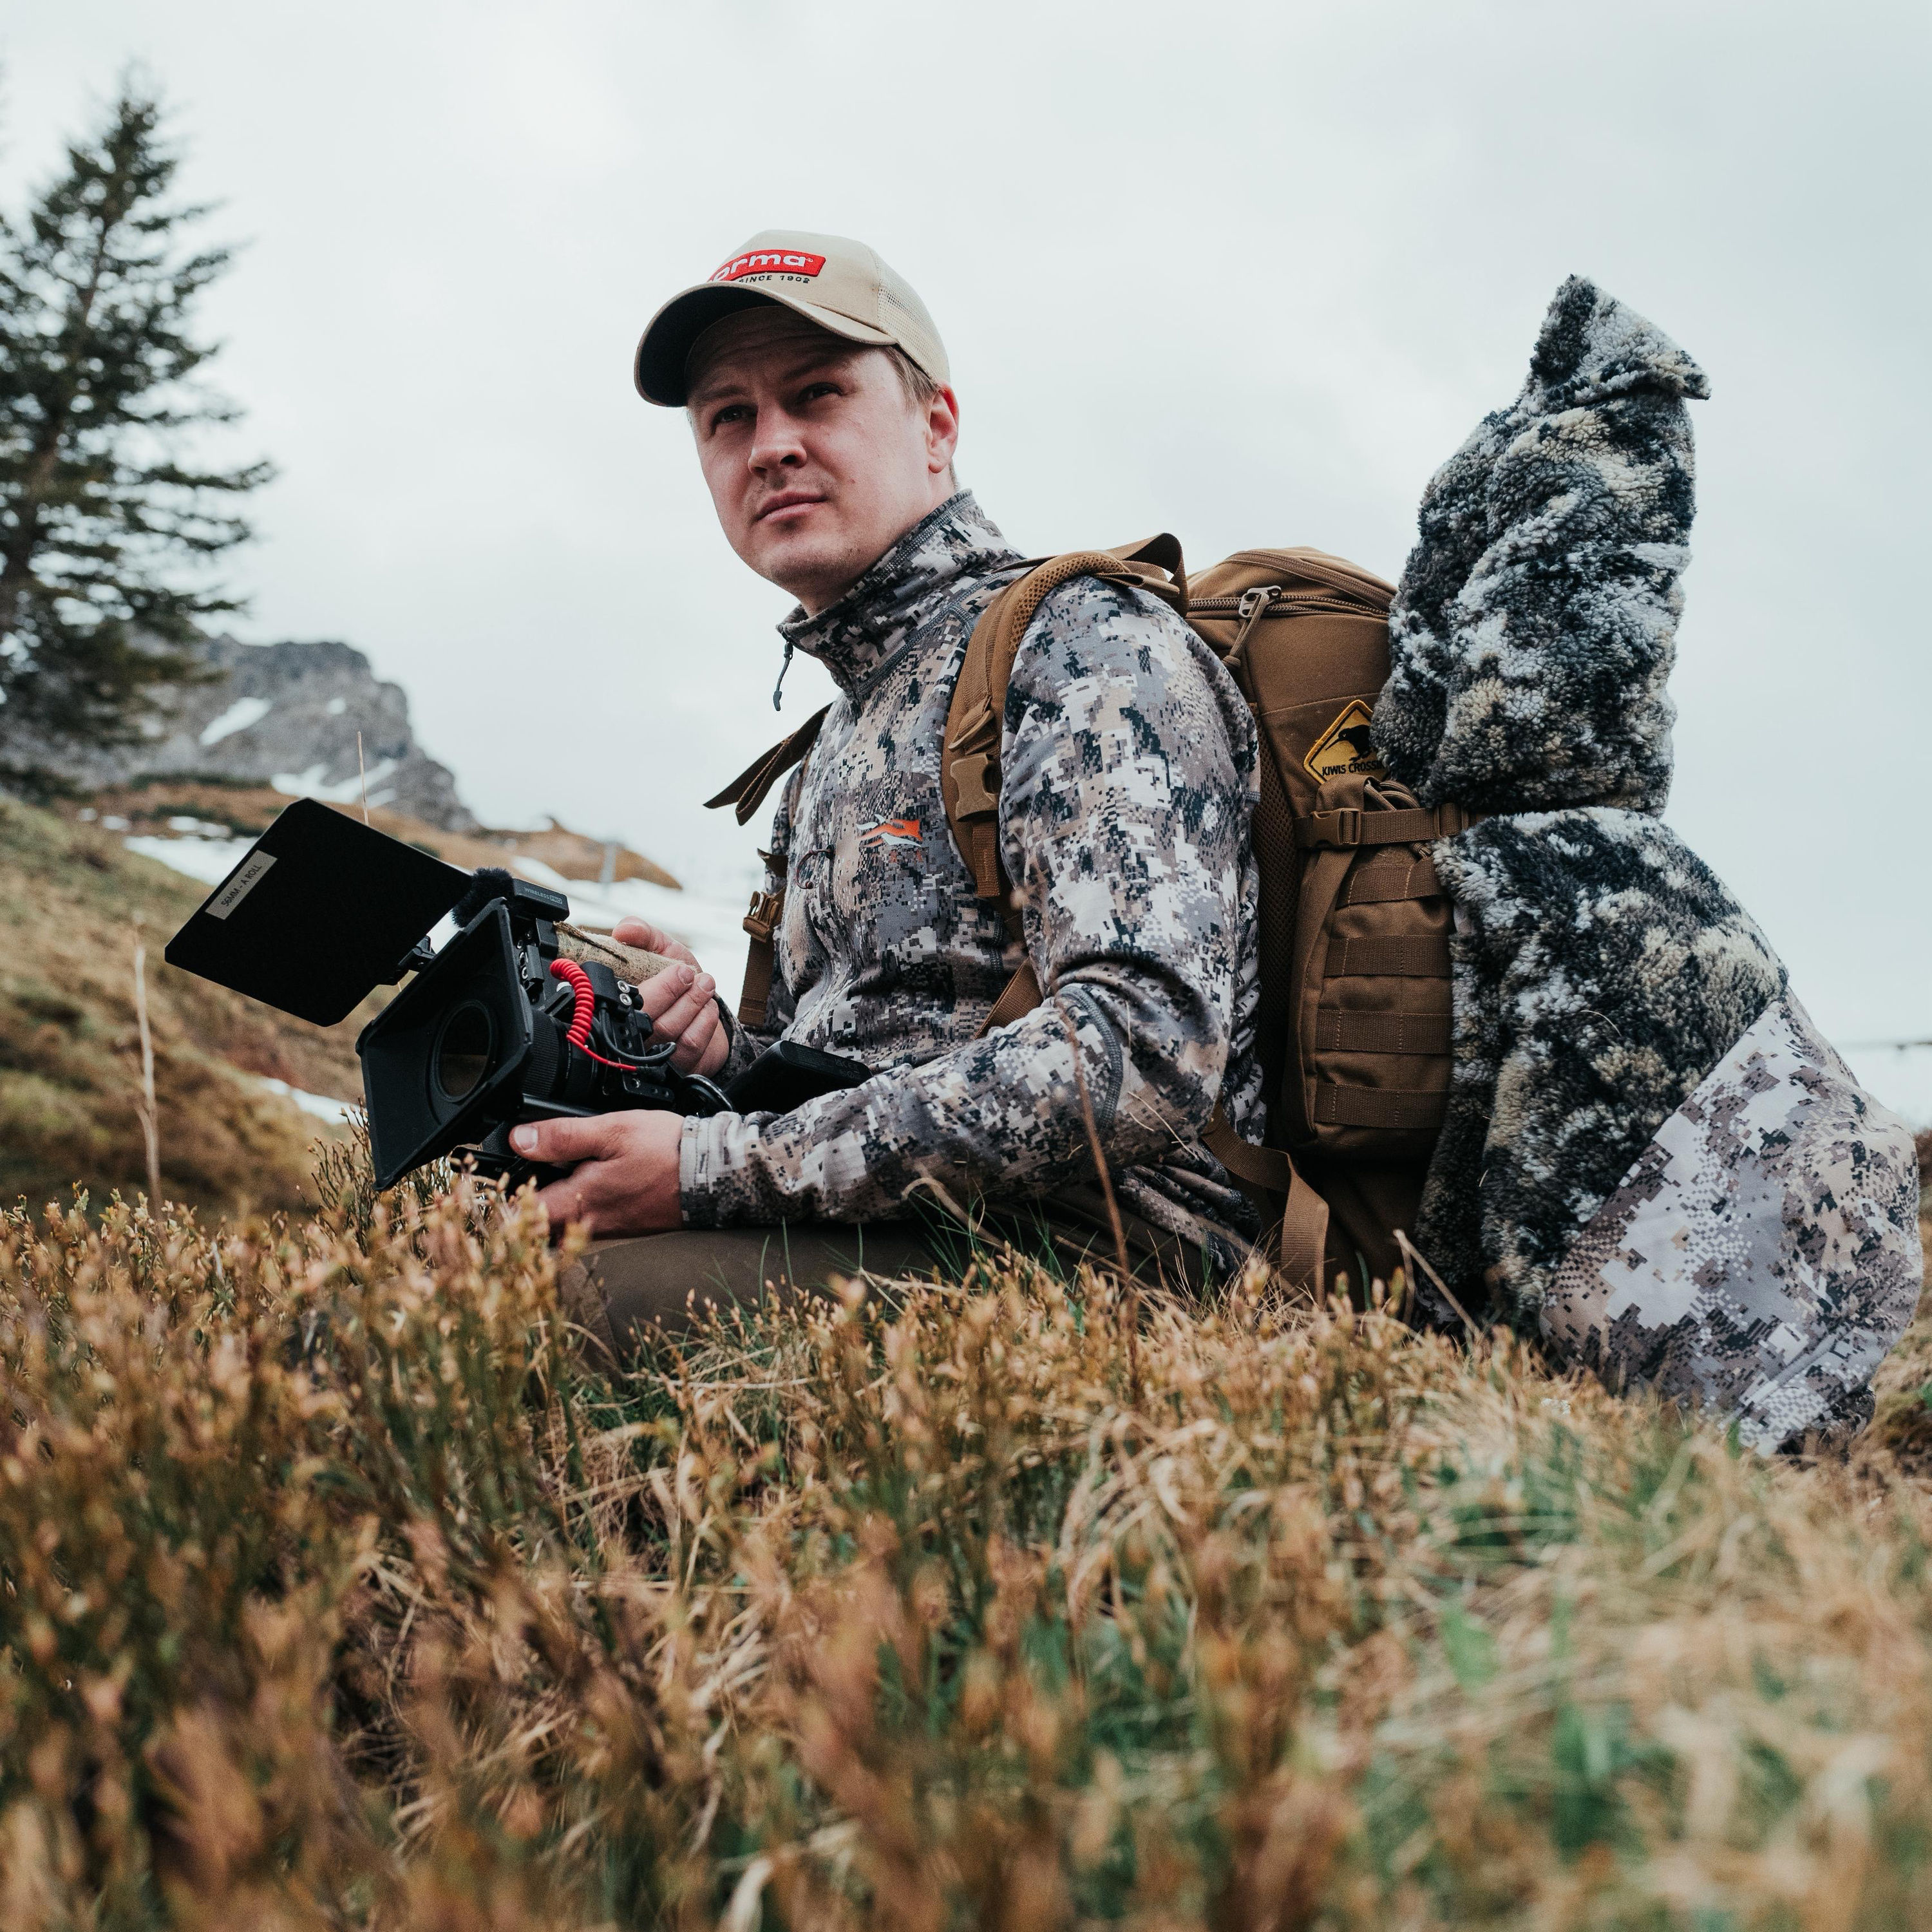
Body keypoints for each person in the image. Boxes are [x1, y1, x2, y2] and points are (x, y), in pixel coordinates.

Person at [507, 231, 1264, 1356]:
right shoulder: (843, 729)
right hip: (899, 1238)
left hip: (1111, 1260)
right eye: (728, 417)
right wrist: (724, 1058)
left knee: (506, 1328)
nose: (771, 447)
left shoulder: (1084, 646)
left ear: (936, 426)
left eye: (816, 395)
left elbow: (1138, 1054)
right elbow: (882, 1061)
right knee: (433, 1275)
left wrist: (709, 1167)